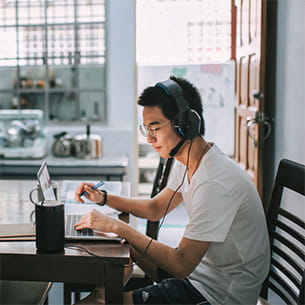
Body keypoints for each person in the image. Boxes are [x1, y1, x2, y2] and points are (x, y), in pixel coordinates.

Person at [74, 76, 270, 305]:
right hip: (198, 275)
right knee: (118, 247)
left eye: (155, 128)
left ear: (186, 124)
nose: (148, 138)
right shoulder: (191, 160)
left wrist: (119, 226)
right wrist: (104, 198)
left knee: (98, 300)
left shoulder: (215, 182)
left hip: (216, 295)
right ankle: (106, 293)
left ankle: (105, 296)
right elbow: (156, 208)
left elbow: (181, 263)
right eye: (145, 129)